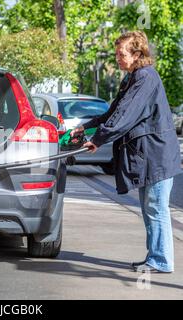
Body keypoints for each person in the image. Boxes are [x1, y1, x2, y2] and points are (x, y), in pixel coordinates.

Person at [70, 31, 181, 273]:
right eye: (117, 54)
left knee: (155, 208)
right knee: (150, 209)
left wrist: (98, 140)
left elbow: (125, 116)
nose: (117, 59)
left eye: (121, 54)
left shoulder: (145, 78)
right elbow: (113, 112)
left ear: (137, 54)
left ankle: (161, 261)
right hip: (150, 156)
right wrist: (86, 127)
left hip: (157, 156)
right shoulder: (132, 78)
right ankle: (155, 257)